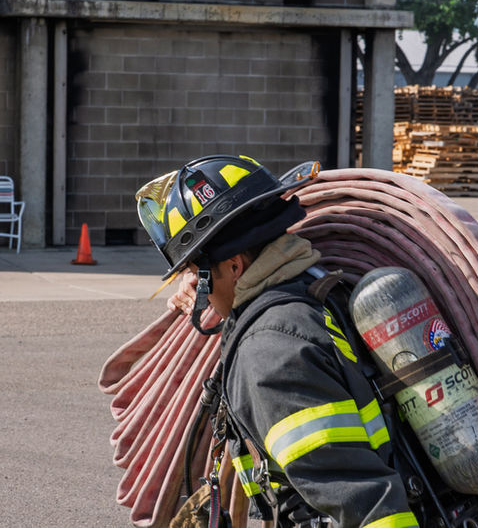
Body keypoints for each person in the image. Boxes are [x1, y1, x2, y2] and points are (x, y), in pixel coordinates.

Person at [136, 155, 418, 528]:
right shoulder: (317, 289)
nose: (194, 287)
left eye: (194, 273)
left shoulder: (270, 353)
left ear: (235, 266)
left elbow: (366, 503)